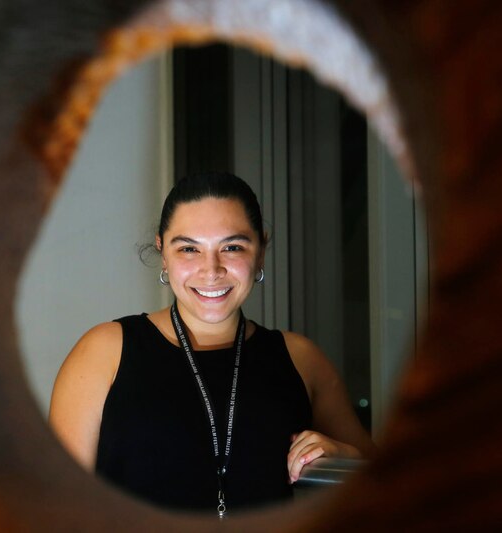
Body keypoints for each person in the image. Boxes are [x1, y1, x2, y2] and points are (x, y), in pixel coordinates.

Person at [48, 172, 375, 515]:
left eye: (232, 247)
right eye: (189, 248)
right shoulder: (105, 352)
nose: (211, 270)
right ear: (163, 252)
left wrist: (342, 457)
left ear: (261, 250)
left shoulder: (300, 359)